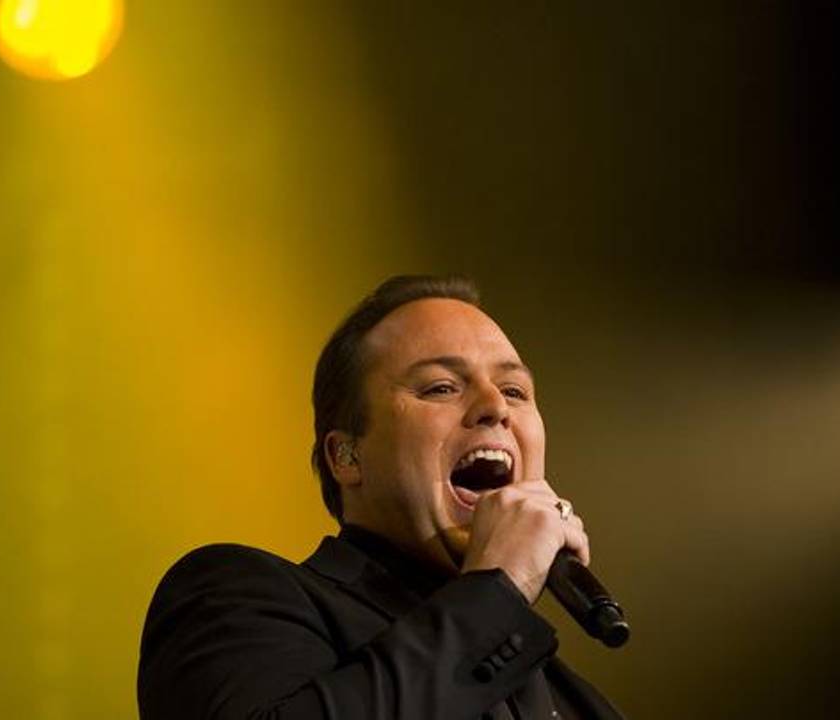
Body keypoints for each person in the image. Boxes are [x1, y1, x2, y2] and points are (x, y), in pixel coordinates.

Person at [137, 275, 624, 719]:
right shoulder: (235, 598)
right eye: (440, 387)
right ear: (346, 456)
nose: (496, 406)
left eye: (515, 391)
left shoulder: (577, 701)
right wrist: (501, 588)